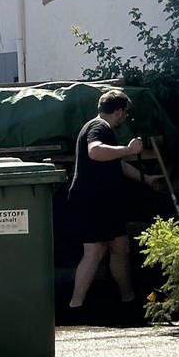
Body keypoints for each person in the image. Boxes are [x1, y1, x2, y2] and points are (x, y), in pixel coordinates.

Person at [65, 89, 160, 319]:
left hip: (102, 200)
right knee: (95, 251)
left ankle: (128, 300)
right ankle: (75, 307)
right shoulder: (99, 128)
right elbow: (95, 152)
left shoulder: (101, 129)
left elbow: (114, 163)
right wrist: (128, 149)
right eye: (125, 113)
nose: (125, 118)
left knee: (120, 246)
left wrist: (145, 179)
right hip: (93, 200)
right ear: (118, 112)